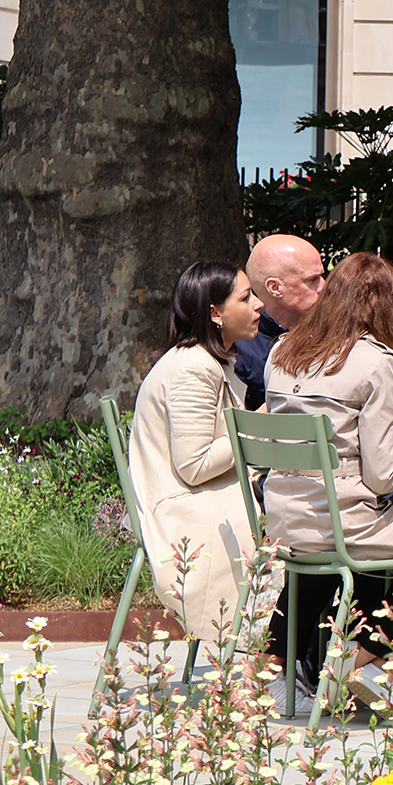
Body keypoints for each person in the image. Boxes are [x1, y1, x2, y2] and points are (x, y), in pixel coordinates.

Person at [263, 252, 393, 702]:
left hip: (285, 516)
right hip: (342, 518)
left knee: (384, 541)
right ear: (381, 305)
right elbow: (384, 476)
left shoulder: (281, 351)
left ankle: (285, 665)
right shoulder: (374, 360)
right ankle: (358, 658)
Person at [127, 260, 262, 649]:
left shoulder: (206, 361)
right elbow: (194, 465)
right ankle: (290, 659)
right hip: (184, 510)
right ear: (215, 313)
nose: (259, 306)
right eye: (246, 297)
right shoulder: (193, 368)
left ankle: (296, 658)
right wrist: (254, 426)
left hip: (203, 499)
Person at [231, 235, 327, 410]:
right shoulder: (239, 347)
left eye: (322, 276)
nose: (324, 286)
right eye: (313, 280)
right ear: (275, 288)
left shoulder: (336, 332)